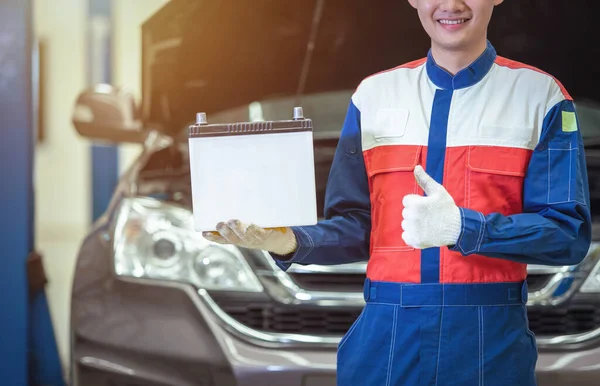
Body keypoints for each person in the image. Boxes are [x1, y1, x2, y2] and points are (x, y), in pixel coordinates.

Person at [203, 0, 592, 384]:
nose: (451, 5)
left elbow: (567, 235)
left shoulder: (541, 98)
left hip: (487, 342)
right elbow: (357, 226)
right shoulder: (372, 97)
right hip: (384, 339)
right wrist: (286, 239)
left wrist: (463, 229)